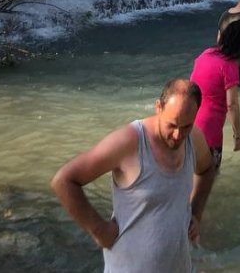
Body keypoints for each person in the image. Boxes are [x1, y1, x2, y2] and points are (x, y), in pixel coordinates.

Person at [51, 77, 214, 273]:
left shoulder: (193, 139)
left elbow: (207, 169)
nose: (178, 135)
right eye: (172, 125)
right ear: (158, 107)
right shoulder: (129, 142)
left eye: (186, 126)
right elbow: (64, 180)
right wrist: (99, 230)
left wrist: (196, 213)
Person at [190, 19, 240, 171]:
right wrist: (237, 135)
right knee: (209, 180)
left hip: (188, 125)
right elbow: (232, 105)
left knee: (187, 179)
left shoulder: (205, 54)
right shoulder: (229, 66)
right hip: (209, 132)